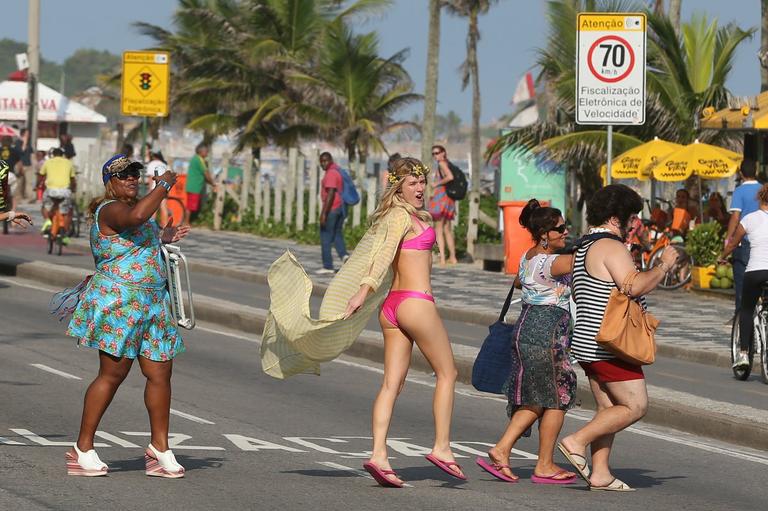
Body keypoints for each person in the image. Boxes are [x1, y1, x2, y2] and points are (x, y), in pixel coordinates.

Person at [261, 157, 464, 488]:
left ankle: (379, 455)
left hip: (392, 309)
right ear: (396, 186)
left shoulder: (397, 216)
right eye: (412, 183)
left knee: (391, 384)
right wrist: (362, 292)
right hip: (415, 303)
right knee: (448, 373)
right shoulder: (401, 217)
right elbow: (381, 258)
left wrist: (364, 293)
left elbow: (378, 254)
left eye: (421, 182)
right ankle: (442, 447)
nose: (420, 189)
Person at [63, 154, 190, 478]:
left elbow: (134, 238)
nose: (131, 178)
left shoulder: (138, 213)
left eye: (135, 172)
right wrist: (163, 185)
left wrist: (162, 238)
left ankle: (159, 448)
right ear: (110, 182)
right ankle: (82, 448)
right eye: (123, 175)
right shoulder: (110, 209)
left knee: (160, 373)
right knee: (113, 374)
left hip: (152, 305)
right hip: (120, 305)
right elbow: (134, 217)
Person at [558, 184, 678, 492]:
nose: (636, 222)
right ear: (615, 218)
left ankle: (600, 473)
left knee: (608, 408)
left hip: (588, 340)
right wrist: (663, 265)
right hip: (608, 344)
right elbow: (633, 286)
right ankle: (576, 442)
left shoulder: (586, 244)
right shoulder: (611, 246)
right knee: (636, 405)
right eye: (632, 216)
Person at [476, 199, 577, 485]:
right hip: (546, 333)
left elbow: (521, 282)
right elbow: (585, 260)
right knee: (558, 395)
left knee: (537, 396)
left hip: (525, 329)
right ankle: (532, 460)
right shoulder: (552, 261)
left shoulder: (528, 257)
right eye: (561, 228)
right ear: (545, 234)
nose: (566, 233)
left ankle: (511, 451)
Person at [720, 184, 768, 369]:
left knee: (746, 309)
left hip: (755, 271)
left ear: (760, 198)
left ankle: (743, 354)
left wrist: (722, 257)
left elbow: (733, 244)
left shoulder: (749, 219)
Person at [726, 160, 761, 313]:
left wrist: (728, 239)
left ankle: (741, 317)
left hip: (746, 242)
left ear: (741, 174)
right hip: (763, 242)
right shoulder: (763, 189)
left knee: (742, 283)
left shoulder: (739, 191)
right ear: (757, 172)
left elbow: (735, 217)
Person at [317, 152, 349, 274]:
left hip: (332, 209)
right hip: (340, 208)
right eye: (322, 161)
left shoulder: (331, 174)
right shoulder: (336, 171)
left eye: (326, 161)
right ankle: (344, 256)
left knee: (325, 236)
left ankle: (327, 265)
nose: (324, 163)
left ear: (330, 160)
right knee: (337, 234)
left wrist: (324, 213)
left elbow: (330, 194)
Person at [428, 145, 458, 265]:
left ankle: (442, 259)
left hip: (441, 198)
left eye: (437, 153)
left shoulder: (442, 164)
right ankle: (453, 257)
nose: (435, 156)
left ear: (443, 153)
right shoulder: (447, 162)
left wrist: (436, 184)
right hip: (448, 199)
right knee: (447, 229)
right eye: (433, 154)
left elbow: (450, 177)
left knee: (438, 229)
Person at [37, 148, 76, 235]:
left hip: (51, 191)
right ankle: (64, 231)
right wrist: (73, 189)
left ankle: (47, 221)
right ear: (62, 155)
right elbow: (73, 179)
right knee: (67, 211)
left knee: (45, 207)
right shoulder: (68, 163)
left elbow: (41, 176)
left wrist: (38, 185)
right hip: (65, 191)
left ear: (53, 154)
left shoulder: (47, 162)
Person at [185, 143, 215, 223]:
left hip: (192, 185)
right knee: (190, 206)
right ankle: (186, 222)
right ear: (201, 151)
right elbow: (206, 173)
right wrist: (213, 183)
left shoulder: (195, 158)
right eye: (206, 152)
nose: (207, 153)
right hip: (195, 186)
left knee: (191, 205)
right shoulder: (199, 160)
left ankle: (188, 221)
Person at [14, 128, 33, 200]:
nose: (28, 135)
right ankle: (18, 197)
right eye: (27, 134)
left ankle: (30, 197)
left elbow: (31, 153)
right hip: (21, 165)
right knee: (20, 183)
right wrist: (24, 142)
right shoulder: (18, 142)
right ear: (23, 134)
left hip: (28, 165)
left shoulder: (28, 143)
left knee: (29, 182)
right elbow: (21, 151)